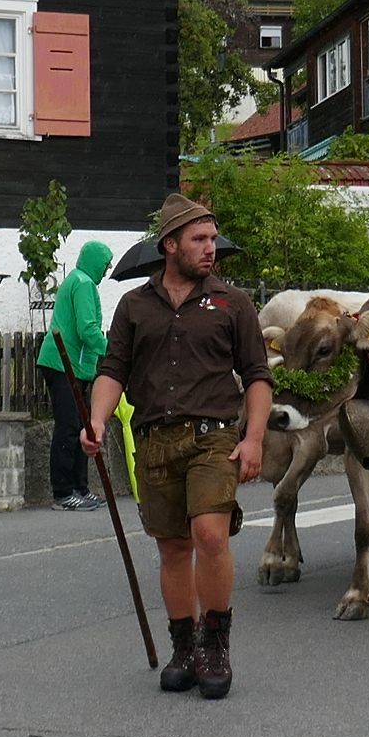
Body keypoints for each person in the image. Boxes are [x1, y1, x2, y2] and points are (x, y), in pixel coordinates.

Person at [83, 194, 271, 699]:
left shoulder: (234, 303)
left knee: (210, 536)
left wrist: (253, 438)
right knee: (172, 548)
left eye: (213, 239)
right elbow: (112, 371)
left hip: (214, 439)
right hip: (154, 442)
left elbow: (256, 376)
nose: (211, 248)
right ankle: (183, 646)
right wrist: (97, 421)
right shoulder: (134, 306)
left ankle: (216, 644)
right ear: (170, 245)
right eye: (200, 239)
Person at [37, 238, 115, 509]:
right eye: (105, 264)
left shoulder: (78, 280)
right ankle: (63, 493)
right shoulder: (83, 284)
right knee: (70, 427)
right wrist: (112, 351)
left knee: (84, 427)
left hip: (69, 363)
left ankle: (80, 489)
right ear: (95, 262)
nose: (106, 271)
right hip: (64, 363)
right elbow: (87, 329)